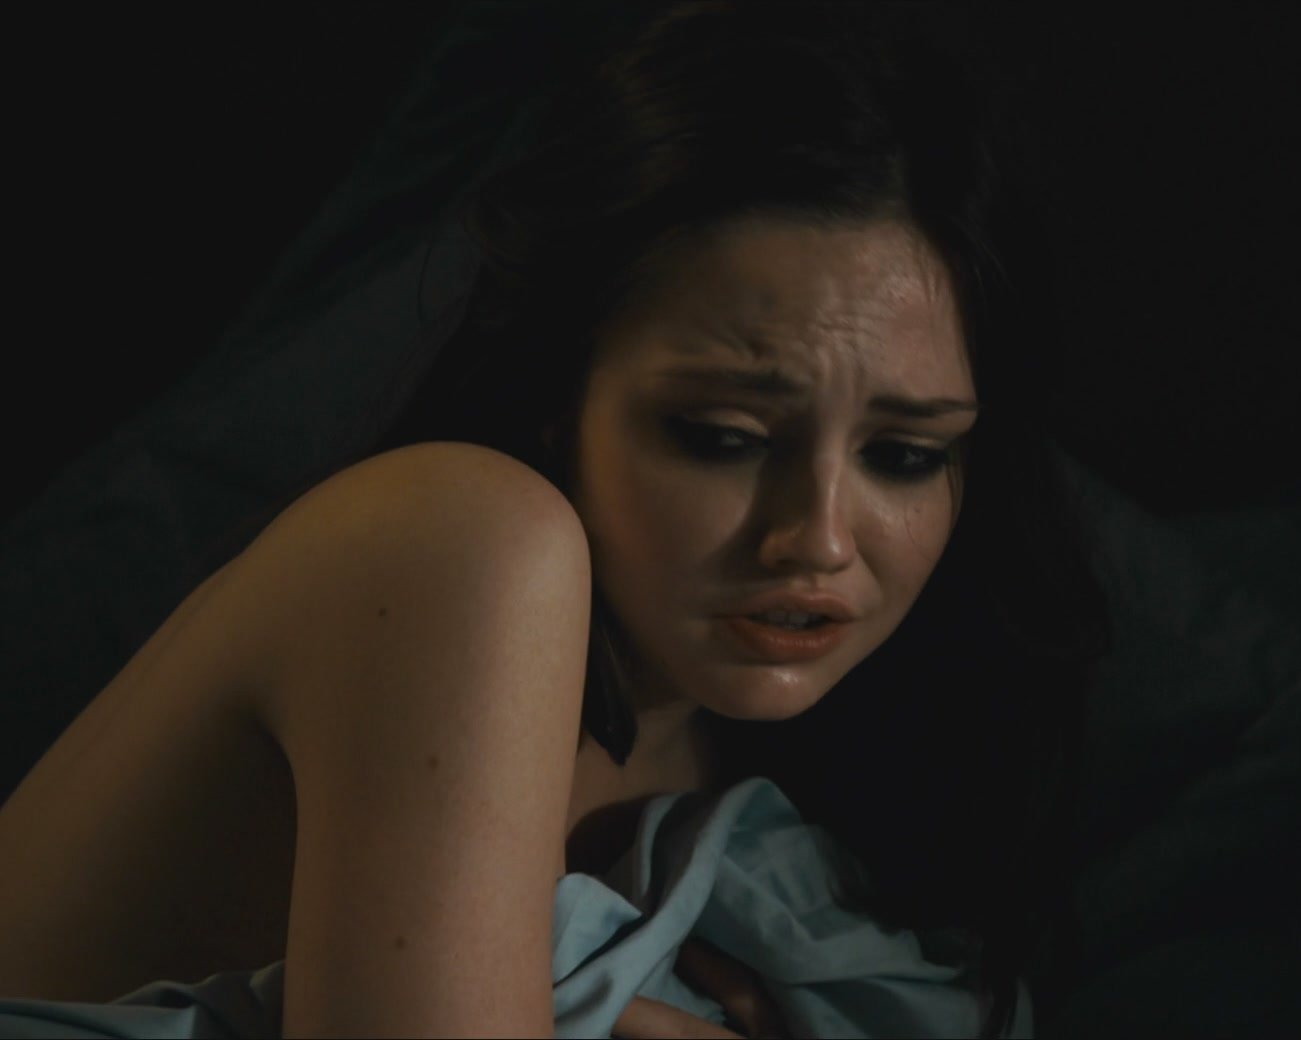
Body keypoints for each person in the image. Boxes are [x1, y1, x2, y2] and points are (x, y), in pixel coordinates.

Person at [0, 2, 1110, 1036]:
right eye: (722, 435)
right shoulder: (463, 542)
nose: (819, 540)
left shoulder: (823, 762)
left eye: (905, 456)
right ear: (555, 389)